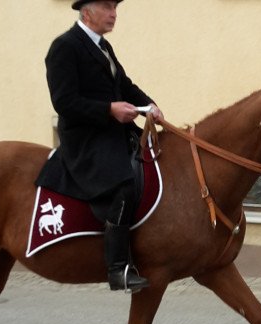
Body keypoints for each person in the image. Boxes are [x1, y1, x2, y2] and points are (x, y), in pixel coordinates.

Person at [36, 0, 163, 292]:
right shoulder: (65, 47)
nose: (113, 13)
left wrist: (150, 105)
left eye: (115, 7)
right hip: (85, 138)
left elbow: (125, 85)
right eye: (106, 6)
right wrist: (109, 110)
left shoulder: (103, 47)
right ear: (86, 12)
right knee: (123, 183)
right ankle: (118, 268)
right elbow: (64, 102)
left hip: (114, 131)